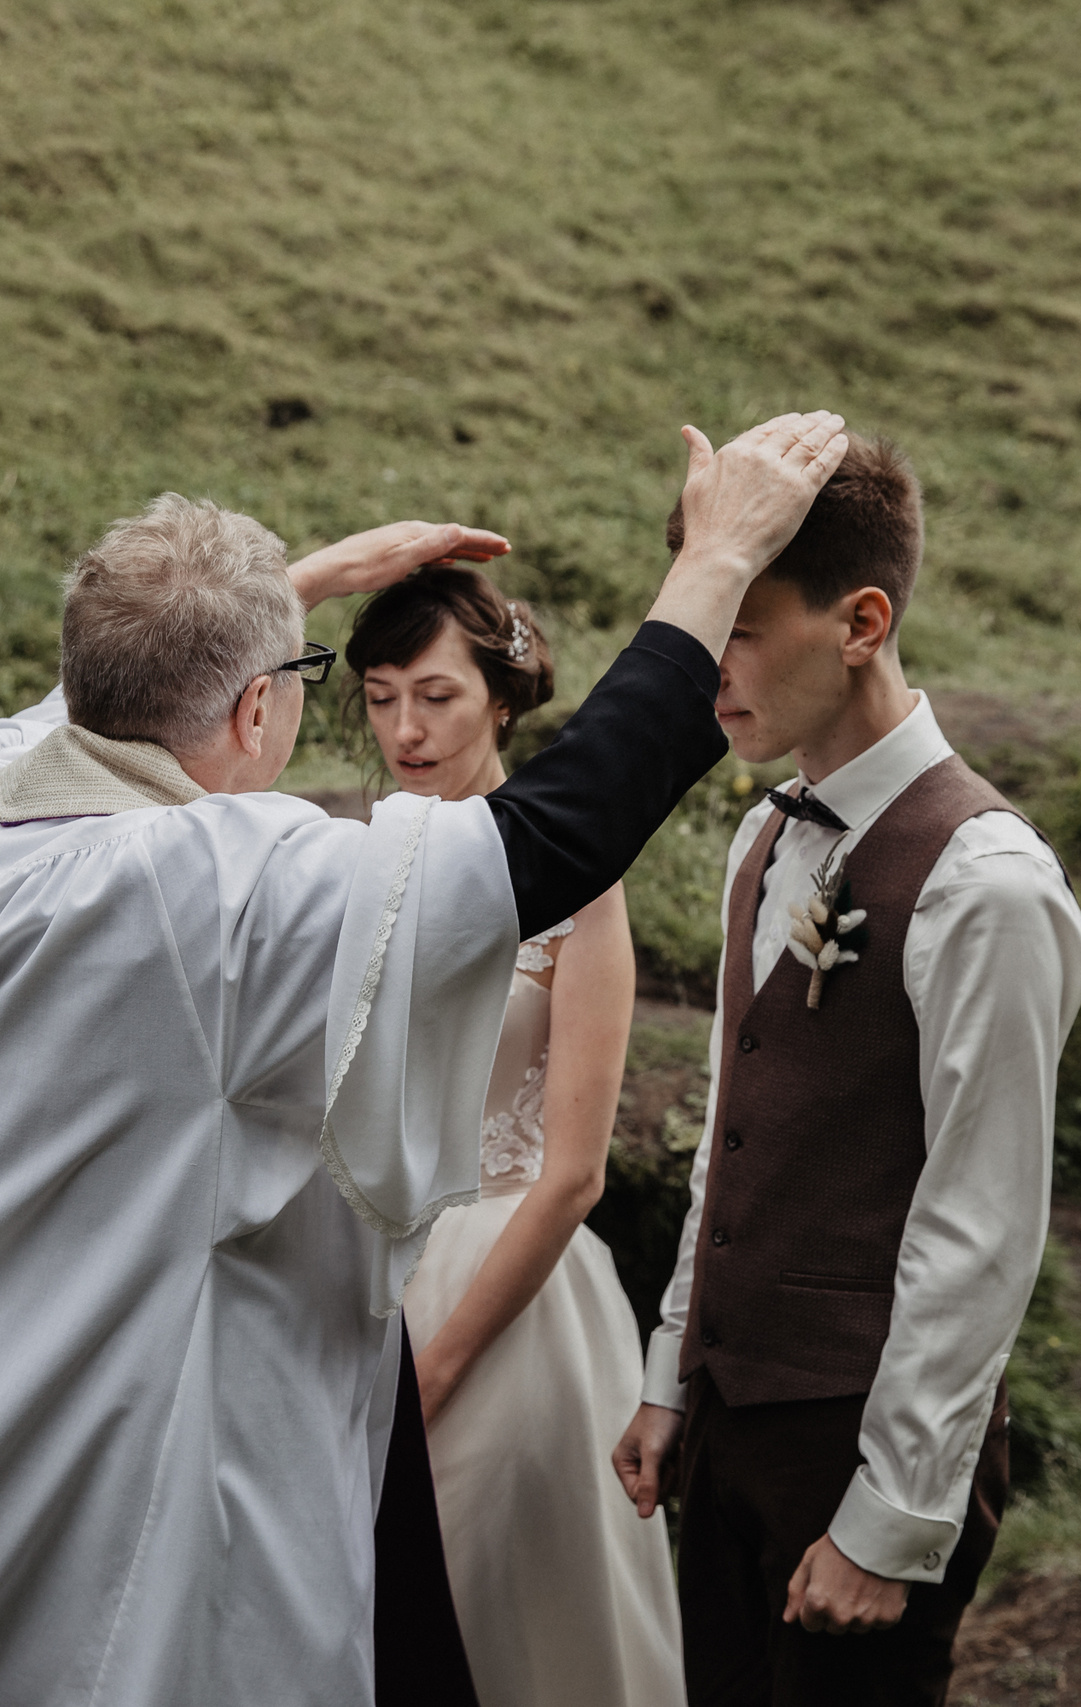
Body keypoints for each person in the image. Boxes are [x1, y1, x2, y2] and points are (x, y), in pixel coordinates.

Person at [0, 411, 851, 1707]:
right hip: (50, 1431)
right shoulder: (214, 891)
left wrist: (276, 592)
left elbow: (79, 701)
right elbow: (554, 833)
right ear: (259, 706)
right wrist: (714, 561)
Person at [609, 437, 1081, 1707]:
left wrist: (889, 1517)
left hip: (863, 1449)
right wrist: (674, 1379)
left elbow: (982, 1224)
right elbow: (735, 1129)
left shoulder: (986, 886)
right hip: (728, 1425)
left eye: (744, 627)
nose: (706, 664)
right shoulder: (765, 834)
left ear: (862, 622)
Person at [350, 568, 685, 1707]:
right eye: (380, 696)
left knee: (502, 1615)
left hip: (511, 1297)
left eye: (436, 695)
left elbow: (576, 1174)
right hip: (358, 1281)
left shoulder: (581, 887)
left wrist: (432, 1371)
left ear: (502, 698)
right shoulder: (354, 868)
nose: (405, 729)